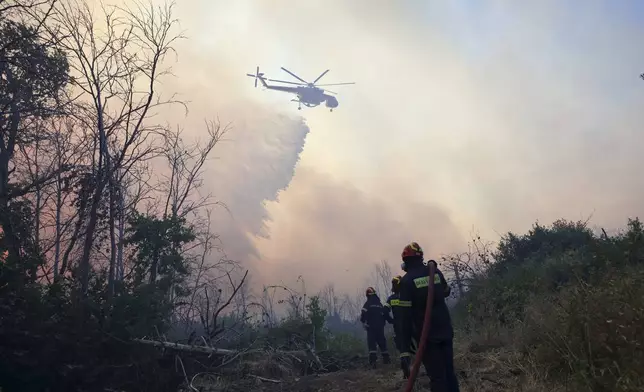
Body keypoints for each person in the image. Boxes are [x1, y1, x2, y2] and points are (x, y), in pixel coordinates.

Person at [398, 242, 460, 392]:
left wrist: (404, 350)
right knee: (449, 374)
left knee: (437, 377)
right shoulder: (435, 272)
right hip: (445, 332)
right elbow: (446, 291)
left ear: (406, 262)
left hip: (428, 338)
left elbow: (404, 319)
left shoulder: (406, 282)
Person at [384, 275, 412, 379]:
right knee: (412, 344)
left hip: (398, 325)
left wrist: (391, 320)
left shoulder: (391, 299)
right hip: (410, 324)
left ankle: (406, 366)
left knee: (402, 347)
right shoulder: (408, 296)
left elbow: (384, 311)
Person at [360, 286, 391, 368]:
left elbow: (363, 313)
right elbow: (384, 314)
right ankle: (387, 360)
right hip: (380, 327)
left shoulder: (368, 303)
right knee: (382, 343)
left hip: (371, 327)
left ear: (368, 295)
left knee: (372, 344)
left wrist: (363, 321)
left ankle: (373, 362)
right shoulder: (379, 304)